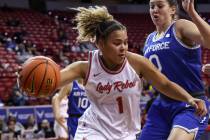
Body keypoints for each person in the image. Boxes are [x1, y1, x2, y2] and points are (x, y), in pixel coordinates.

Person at [19, 6, 207, 140]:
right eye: (117, 43)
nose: (123, 47)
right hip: (93, 130)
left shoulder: (137, 63)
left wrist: (189, 99)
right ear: (99, 44)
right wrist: (28, 81)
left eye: (125, 42)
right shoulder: (84, 67)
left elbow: (165, 84)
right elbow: (53, 80)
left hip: (126, 133)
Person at [139, 0, 210, 140]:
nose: (154, 10)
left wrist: (193, 14)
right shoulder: (149, 39)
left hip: (191, 102)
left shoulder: (179, 26)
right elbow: (147, 74)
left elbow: (208, 41)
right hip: (162, 103)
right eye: (151, 6)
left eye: (160, 6)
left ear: (172, 10)